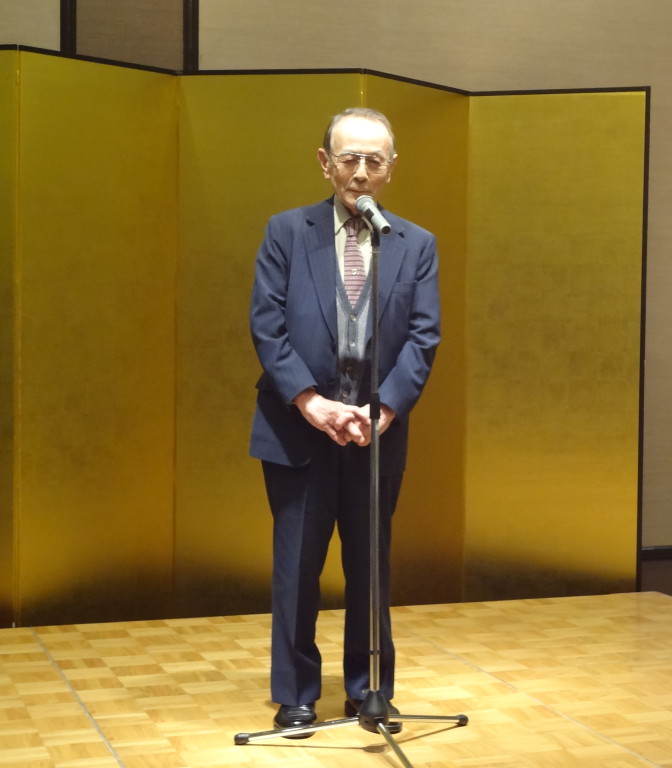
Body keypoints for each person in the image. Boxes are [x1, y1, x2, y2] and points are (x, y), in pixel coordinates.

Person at [249, 107, 441, 735]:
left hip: (373, 436)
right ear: (325, 162)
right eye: (349, 158)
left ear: (391, 168)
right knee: (297, 568)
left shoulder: (415, 243)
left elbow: (424, 337)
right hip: (297, 429)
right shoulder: (286, 231)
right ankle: (296, 693)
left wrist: (382, 410)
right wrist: (311, 402)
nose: (360, 171)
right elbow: (267, 325)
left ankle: (370, 689)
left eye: (373, 160)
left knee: (370, 566)